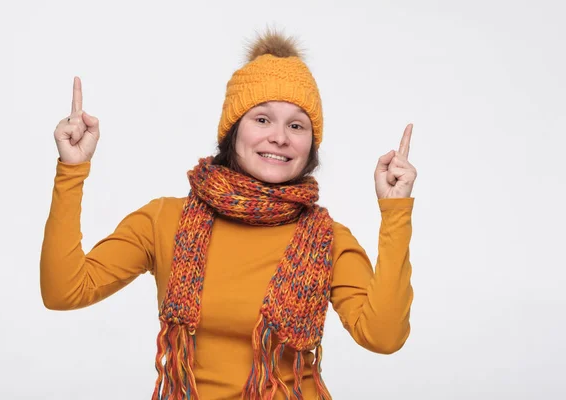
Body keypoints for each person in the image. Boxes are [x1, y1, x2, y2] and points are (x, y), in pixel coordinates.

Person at [40, 29, 417, 400]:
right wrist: (71, 170)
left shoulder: (329, 239)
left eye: (297, 125)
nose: (280, 137)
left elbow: (383, 337)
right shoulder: (163, 220)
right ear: (233, 132)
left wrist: (395, 212)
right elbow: (65, 292)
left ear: (310, 146)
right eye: (262, 119)